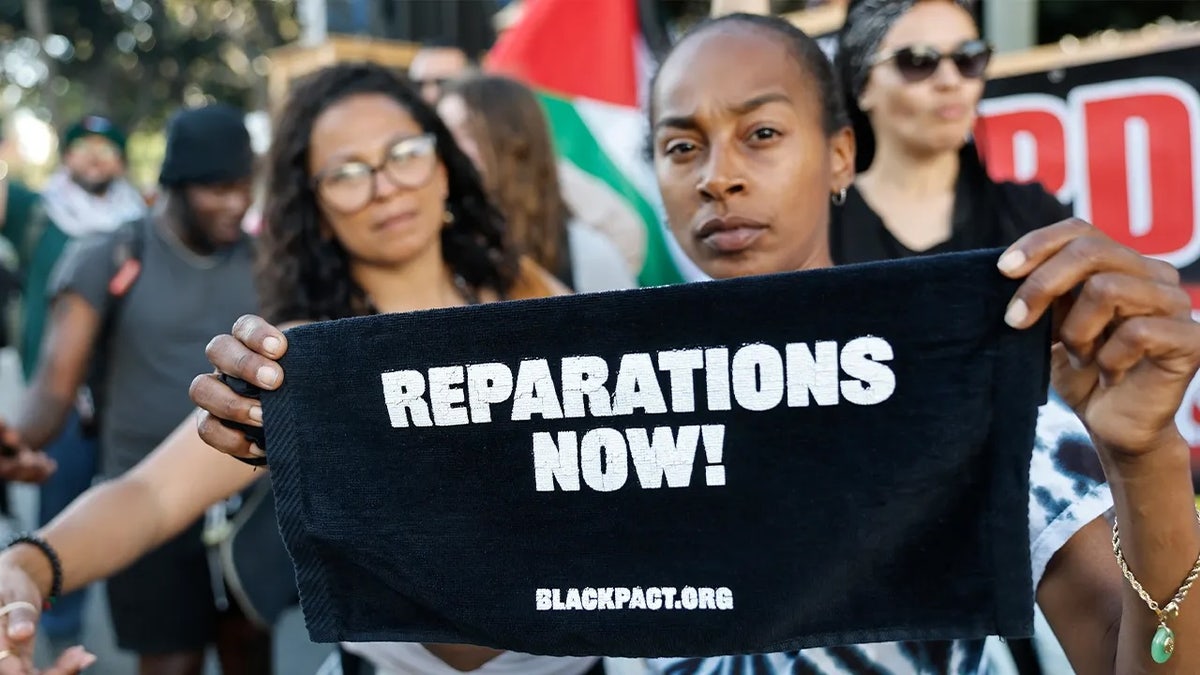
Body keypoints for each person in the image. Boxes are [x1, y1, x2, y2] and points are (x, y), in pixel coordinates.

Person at [190, 12, 1200, 675]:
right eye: (681, 145)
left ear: (841, 152)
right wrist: (331, 444)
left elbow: (1141, 650)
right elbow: (479, 646)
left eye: (761, 133)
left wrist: (1148, 464)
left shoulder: (964, 388)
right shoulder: (601, 400)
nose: (717, 175)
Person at [0, 63, 611, 675]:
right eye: (346, 173)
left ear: (443, 163)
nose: (384, 186)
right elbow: (152, 493)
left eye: (404, 152)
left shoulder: (527, 294)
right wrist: (26, 565)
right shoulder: (306, 361)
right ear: (313, 203)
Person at [8, 104, 271, 675]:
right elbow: (54, 389)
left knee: (248, 650)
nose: (236, 202)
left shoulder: (267, 262)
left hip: (245, 503)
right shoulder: (109, 257)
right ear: (174, 184)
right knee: (171, 663)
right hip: (137, 497)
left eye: (245, 187)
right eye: (217, 188)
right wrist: (14, 438)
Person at [828, 0, 1067, 266]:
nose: (950, 81)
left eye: (968, 58)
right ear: (862, 88)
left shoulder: (1033, 217)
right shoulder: (816, 228)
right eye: (918, 61)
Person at [35, 114, 148, 648]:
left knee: (135, 508)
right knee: (58, 517)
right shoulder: (36, 214)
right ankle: (58, 632)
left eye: (107, 148)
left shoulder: (144, 221)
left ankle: (146, 633)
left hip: (125, 396)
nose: (96, 158)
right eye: (84, 147)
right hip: (57, 403)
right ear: (66, 157)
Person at [437, 74, 636, 293]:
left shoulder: (588, 254)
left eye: (469, 133)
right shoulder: (432, 241)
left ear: (516, 144)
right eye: (445, 136)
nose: (452, 150)